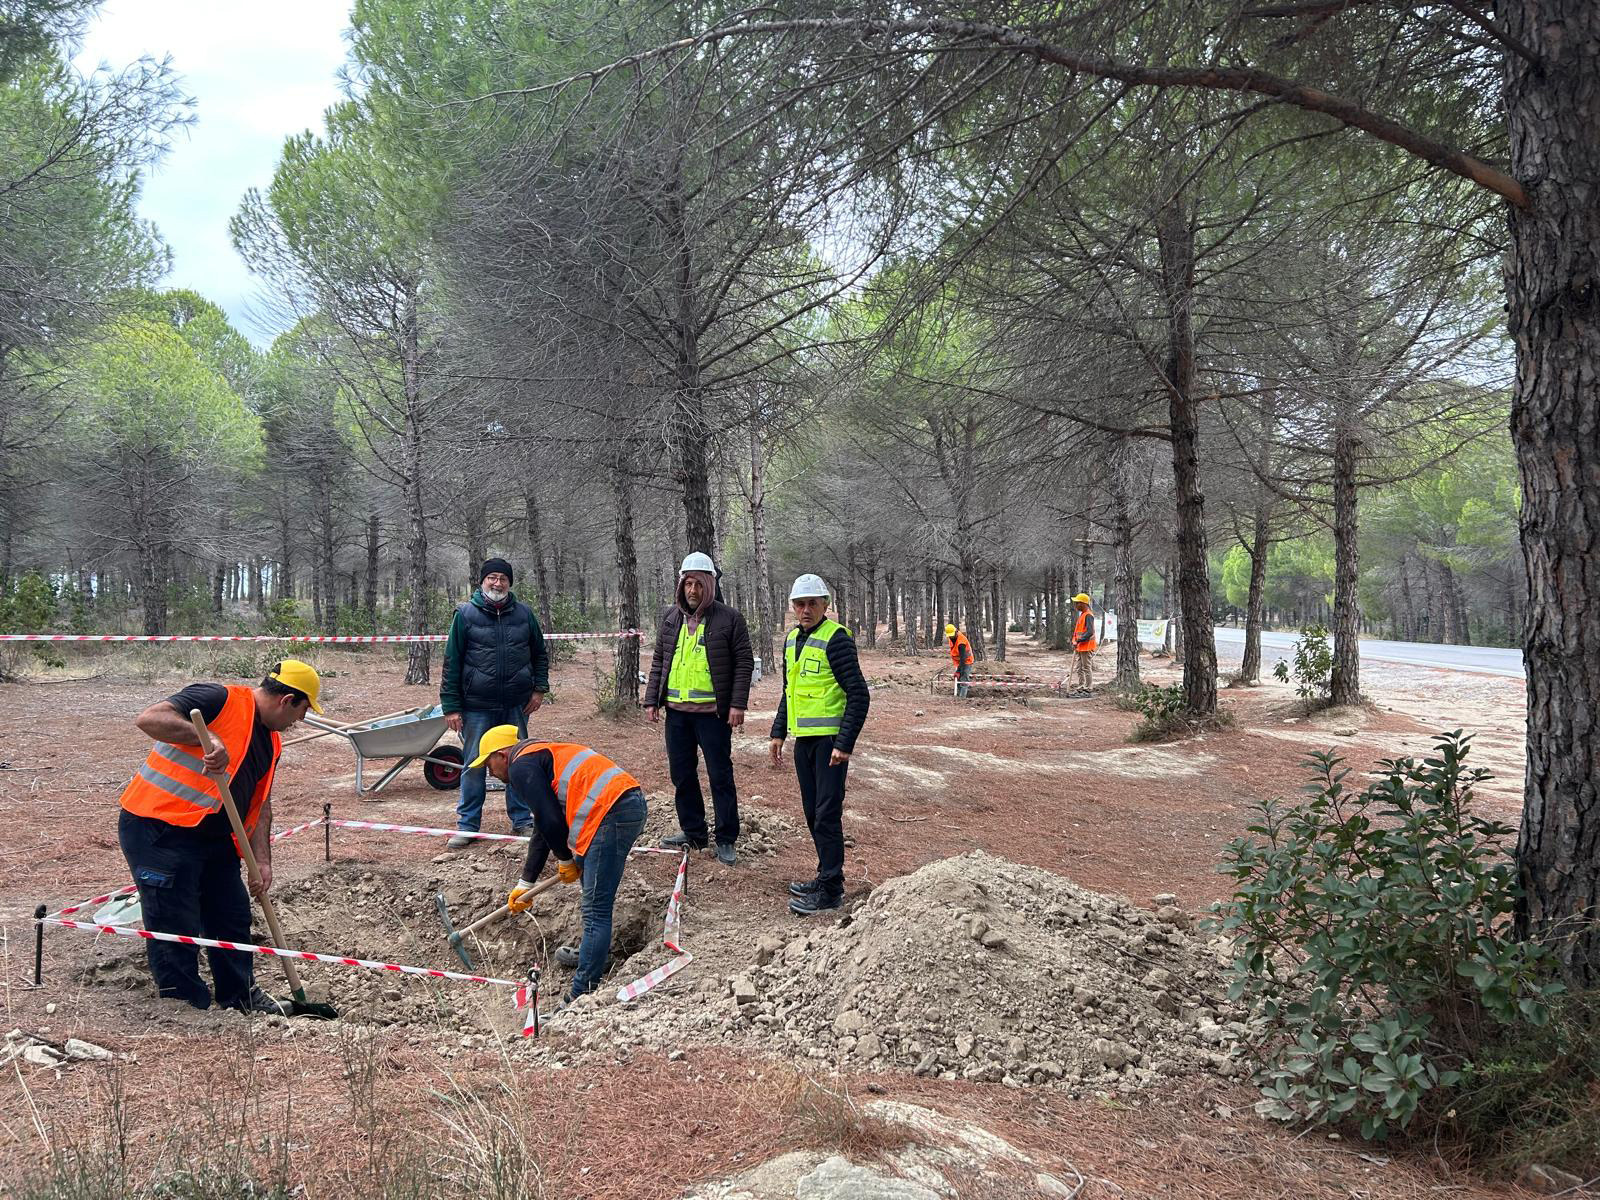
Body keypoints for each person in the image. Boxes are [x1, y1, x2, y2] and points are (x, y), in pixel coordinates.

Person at [118, 660, 323, 1013]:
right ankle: (183, 1006)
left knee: (231, 915)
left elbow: (261, 805)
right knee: (174, 920)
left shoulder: (272, 743)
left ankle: (239, 996)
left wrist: (261, 860)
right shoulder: (218, 698)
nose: (299, 722)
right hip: (159, 828)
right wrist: (207, 737)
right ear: (287, 700)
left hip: (214, 839)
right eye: (302, 711)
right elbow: (149, 719)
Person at [471, 726, 648, 1005]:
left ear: (501, 754)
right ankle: (594, 955)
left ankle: (580, 995)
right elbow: (544, 824)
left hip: (612, 811)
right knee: (591, 895)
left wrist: (564, 860)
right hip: (618, 806)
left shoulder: (520, 766)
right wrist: (525, 883)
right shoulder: (537, 755)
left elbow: (551, 821)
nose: (489, 772)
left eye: (488, 764)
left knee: (595, 909)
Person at [769, 574, 871, 915]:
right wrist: (778, 731)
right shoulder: (792, 640)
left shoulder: (837, 639)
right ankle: (823, 875)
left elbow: (858, 693)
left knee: (827, 815)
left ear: (825, 605)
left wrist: (844, 743)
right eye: (800, 604)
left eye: (813, 603)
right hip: (805, 744)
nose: (806, 609)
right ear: (792, 608)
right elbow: (790, 691)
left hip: (830, 744)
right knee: (813, 813)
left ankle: (831, 891)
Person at [644, 551, 753, 866]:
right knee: (682, 774)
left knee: (720, 775)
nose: (692, 591)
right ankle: (693, 832)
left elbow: (744, 663)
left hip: (713, 716)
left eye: (698, 585)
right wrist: (652, 699)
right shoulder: (670, 618)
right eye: (687, 584)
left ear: (710, 585)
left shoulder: (729, 619)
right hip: (677, 714)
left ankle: (726, 838)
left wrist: (737, 704)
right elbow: (659, 661)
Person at [440, 557, 549, 849]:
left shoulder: (524, 615)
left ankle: (522, 821)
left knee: (520, 763)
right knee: (474, 764)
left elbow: (539, 654)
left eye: (502, 578)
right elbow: (452, 662)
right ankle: (467, 825)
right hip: (476, 706)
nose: (497, 583)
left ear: (509, 583)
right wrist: (451, 706)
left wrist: (539, 689)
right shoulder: (464, 615)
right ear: (482, 581)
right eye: (492, 578)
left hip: (515, 705)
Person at [1071, 593, 1098, 692]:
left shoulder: (1088, 615)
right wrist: (1075, 641)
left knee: (1086, 667)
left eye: (1077, 603)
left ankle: (1088, 686)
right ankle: (1081, 685)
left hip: (1086, 646)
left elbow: (1089, 632)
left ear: (1083, 603)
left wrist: (1079, 640)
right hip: (1080, 646)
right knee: (1079, 668)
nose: (1076, 605)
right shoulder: (1082, 615)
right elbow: (1077, 631)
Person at [946, 622, 974, 698]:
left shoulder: (961, 642)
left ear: (956, 631)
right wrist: (958, 670)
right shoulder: (951, 638)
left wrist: (958, 671)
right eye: (950, 636)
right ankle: (958, 695)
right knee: (958, 678)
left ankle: (962, 698)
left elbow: (963, 658)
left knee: (964, 679)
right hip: (959, 662)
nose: (951, 637)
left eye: (952, 635)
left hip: (966, 661)